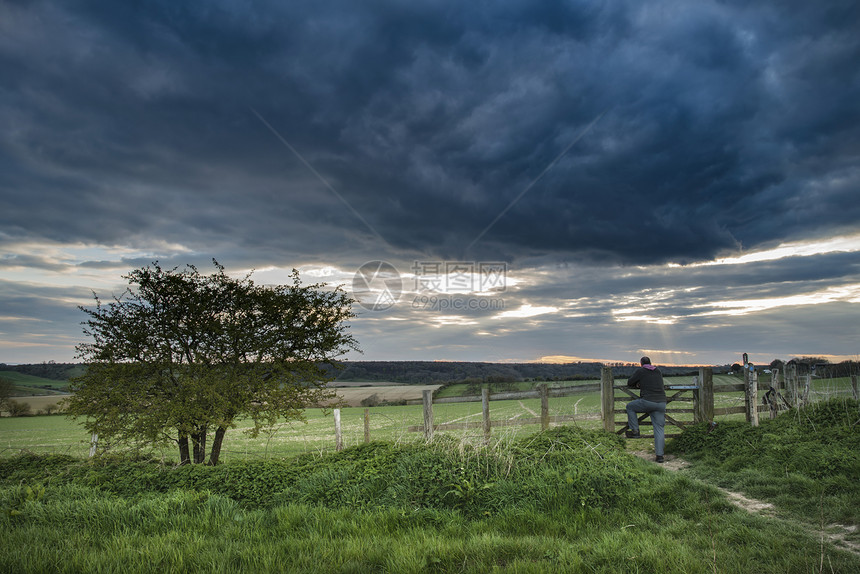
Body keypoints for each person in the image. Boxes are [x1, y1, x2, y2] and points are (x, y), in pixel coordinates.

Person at [625, 356, 667, 463]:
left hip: (648, 401)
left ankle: (635, 431)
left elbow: (629, 382)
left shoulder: (641, 371)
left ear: (641, 363)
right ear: (650, 363)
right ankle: (660, 456)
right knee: (659, 429)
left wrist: (638, 384)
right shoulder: (658, 371)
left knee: (630, 407)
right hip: (661, 402)